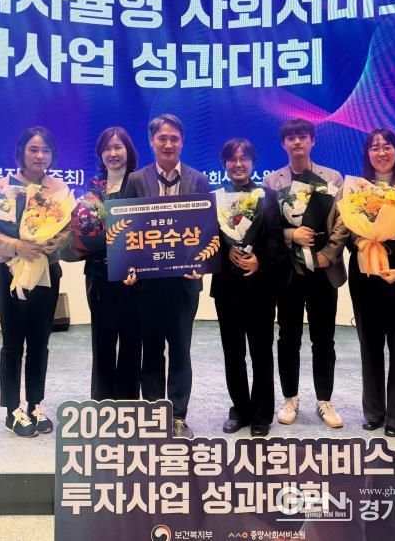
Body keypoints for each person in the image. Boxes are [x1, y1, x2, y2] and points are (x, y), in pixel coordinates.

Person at [124, 114, 209, 438]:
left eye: (174, 138)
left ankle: (178, 415)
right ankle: (154, 413)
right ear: (152, 142)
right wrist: (129, 269)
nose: (168, 144)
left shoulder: (199, 180)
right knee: (151, 349)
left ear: (182, 142)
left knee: (181, 349)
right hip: (148, 284)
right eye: (162, 138)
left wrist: (202, 263)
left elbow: (206, 231)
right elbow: (128, 232)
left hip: (184, 283)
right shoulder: (136, 180)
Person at [0, 127, 69, 437]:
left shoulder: (58, 189)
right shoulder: (4, 186)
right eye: (33, 149)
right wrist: (18, 246)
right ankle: (12, 410)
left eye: (45, 150)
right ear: (21, 153)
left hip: (46, 272)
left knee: (40, 342)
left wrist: (55, 242)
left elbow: (67, 227)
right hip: (11, 272)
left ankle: (35, 404)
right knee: (13, 344)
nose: (40, 155)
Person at [264, 118, 347, 429]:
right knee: (288, 337)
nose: (297, 142)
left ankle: (325, 399)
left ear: (312, 141)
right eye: (291, 138)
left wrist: (328, 254)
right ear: (283, 143)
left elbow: (343, 222)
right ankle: (290, 397)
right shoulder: (272, 181)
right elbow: (267, 226)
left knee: (324, 337)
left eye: (302, 136)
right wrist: (291, 235)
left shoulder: (332, 178)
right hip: (288, 270)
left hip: (323, 269)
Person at [346, 128, 395, 437]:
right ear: (367, 154)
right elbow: (347, 226)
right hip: (365, 274)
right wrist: (363, 242)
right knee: (370, 345)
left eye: (387, 146)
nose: (381, 152)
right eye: (374, 147)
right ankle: (374, 412)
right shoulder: (356, 188)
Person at [211, 139, 284, 437]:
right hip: (227, 286)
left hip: (260, 286)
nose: (238, 164)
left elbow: (276, 236)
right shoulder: (215, 198)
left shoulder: (267, 196)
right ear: (224, 164)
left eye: (244, 158)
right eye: (232, 159)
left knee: (261, 351)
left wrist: (259, 260)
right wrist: (225, 251)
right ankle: (240, 409)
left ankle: (262, 414)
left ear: (253, 162)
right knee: (233, 352)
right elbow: (206, 238)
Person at [69, 127, 140, 401]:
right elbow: (83, 233)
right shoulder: (92, 191)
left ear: (128, 151)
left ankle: (128, 403)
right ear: (100, 154)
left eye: (118, 147)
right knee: (102, 340)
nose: (113, 153)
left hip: (134, 277)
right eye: (107, 148)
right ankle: (102, 403)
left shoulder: (140, 184)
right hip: (99, 276)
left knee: (132, 340)